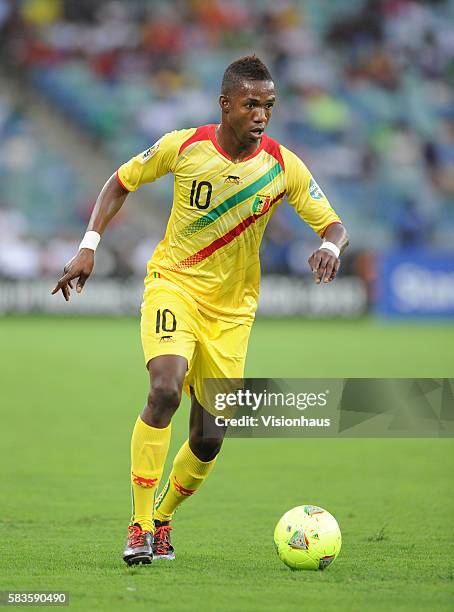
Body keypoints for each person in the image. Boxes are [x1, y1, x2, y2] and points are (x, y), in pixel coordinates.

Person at [52, 55, 349, 566]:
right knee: (164, 387)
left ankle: (163, 518)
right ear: (226, 104)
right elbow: (119, 181)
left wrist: (331, 248)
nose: (261, 116)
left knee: (209, 436)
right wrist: (89, 244)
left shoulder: (282, 165)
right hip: (174, 287)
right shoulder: (184, 146)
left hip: (232, 314)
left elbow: (333, 224)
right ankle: (139, 525)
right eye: (251, 105)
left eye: (269, 106)